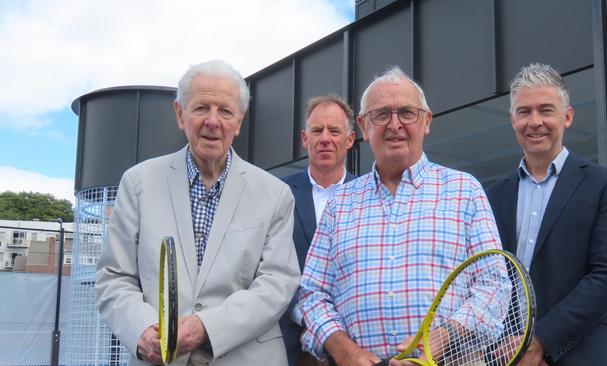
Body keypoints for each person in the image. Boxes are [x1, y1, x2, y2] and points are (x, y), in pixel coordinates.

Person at [95, 60, 301, 366]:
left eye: (225, 111)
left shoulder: (274, 194)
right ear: (180, 114)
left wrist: (207, 327)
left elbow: (277, 284)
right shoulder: (138, 183)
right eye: (201, 108)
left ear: (239, 121)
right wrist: (142, 330)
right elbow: (114, 276)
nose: (213, 121)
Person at [298, 66, 505, 366]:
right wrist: (345, 351)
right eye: (381, 115)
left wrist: (443, 335)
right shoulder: (339, 203)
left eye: (407, 113)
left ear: (426, 121)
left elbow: (494, 283)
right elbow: (313, 293)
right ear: (363, 127)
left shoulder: (464, 190)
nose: (395, 124)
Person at [486, 63, 607, 365]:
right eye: (524, 112)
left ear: (567, 117)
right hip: (508, 358)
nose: (534, 121)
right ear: (512, 120)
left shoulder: (605, 185)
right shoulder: (493, 196)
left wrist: (541, 340)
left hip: (583, 356)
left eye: (546, 110)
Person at [280, 94, 357, 366]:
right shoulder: (278, 194)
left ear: (349, 140)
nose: (325, 138)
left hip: (354, 346)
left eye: (334, 131)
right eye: (317, 130)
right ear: (304, 139)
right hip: (291, 346)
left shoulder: (370, 196)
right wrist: (308, 318)